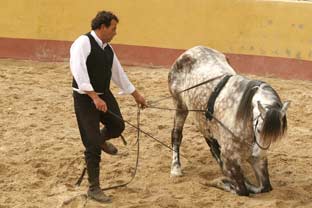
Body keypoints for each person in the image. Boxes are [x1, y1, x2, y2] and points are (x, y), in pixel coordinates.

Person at [70, 10, 147, 203]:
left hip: (103, 94)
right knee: (92, 143)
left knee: (117, 125)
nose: (115, 32)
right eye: (113, 28)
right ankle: (94, 188)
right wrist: (94, 97)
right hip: (85, 98)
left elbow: (118, 73)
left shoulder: (107, 48)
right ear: (102, 27)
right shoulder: (83, 42)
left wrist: (136, 95)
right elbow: (78, 71)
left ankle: (101, 139)